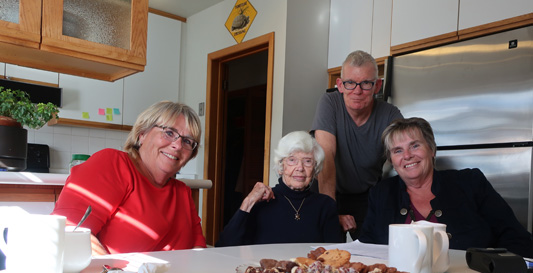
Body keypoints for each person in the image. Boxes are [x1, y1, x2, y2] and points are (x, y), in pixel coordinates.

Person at [359, 117, 533, 258]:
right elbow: (366, 250)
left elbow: (517, 239)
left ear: (431, 149)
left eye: (415, 145)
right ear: (391, 160)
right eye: (398, 150)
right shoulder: (381, 193)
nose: (407, 155)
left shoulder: (470, 183)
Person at [53, 101, 206, 255]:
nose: (178, 145)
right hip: (112, 271)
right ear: (142, 134)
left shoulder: (182, 192)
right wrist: (115, 270)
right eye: (169, 133)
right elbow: (69, 233)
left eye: (187, 141)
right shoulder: (113, 164)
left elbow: (198, 251)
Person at [311, 50, 403, 240]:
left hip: (365, 196)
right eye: (350, 83)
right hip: (325, 190)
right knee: (325, 249)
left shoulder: (390, 114)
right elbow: (326, 155)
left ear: (377, 86)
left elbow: (404, 155)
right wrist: (331, 213)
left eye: (366, 83)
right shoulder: (329, 103)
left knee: (372, 249)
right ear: (340, 85)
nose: (357, 91)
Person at [215, 131, 343, 247]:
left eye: (307, 161)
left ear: (315, 168)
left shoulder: (326, 205)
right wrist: (248, 202)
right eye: (292, 160)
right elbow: (224, 245)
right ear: (281, 167)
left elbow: (335, 256)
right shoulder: (262, 201)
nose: (300, 168)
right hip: (266, 266)